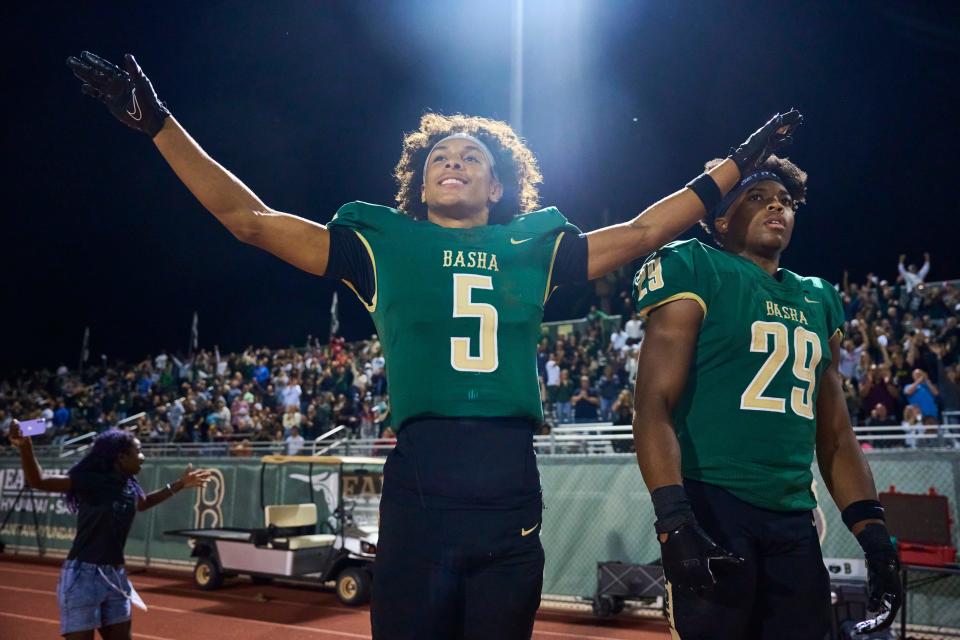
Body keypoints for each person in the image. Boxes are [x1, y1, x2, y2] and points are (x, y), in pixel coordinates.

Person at [66, 50, 800, 640]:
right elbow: (250, 220)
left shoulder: (532, 244)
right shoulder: (383, 245)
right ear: (419, 181)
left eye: (472, 156)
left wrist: (735, 163)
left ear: (499, 185)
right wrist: (160, 123)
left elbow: (643, 231)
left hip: (510, 481)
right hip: (422, 484)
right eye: (439, 156)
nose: (453, 161)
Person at [631, 154, 902, 638]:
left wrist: (875, 537)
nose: (776, 207)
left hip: (793, 514)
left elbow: (836, 435)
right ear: (719, 219)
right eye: (756, 197)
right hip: (713, 504)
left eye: (785, 201)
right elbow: (653, 405)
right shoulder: (693, 264)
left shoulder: (819, 297)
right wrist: (674, 519)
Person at [8, 421, 210, 640]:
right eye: (138, 452)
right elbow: (39, 481)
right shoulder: (91, 481)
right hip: (83, 576)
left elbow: (143, 503)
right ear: (121, 457)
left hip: (116, 577)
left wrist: (180, 484)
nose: (143, 457)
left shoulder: (129, 485)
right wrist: (25, 446)